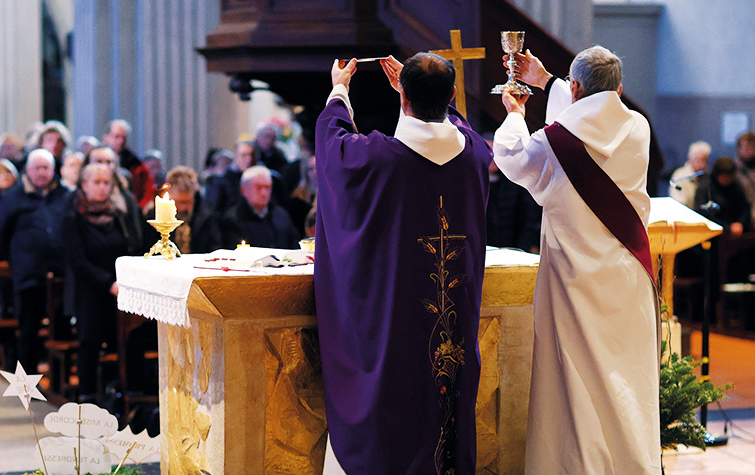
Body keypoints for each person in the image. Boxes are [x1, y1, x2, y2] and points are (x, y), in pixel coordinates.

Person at [315, 53, 491, 474]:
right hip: (452, 321)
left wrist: (340, 89)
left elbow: (331, 142)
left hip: (395, 326)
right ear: (451, 96)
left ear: (403, 97)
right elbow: (460, 127)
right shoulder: (475, 156)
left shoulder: (378, 157)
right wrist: (426, 96)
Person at [493, 46, 660, 473]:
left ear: (575, 87)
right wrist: (550, 81)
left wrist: (515, 113)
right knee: (626, 379)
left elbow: (513, 159)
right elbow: (594, 116)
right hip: (627, 276)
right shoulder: (639, 126)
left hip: (574, 278)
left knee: (579, 382)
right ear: (620, 89)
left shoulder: (552, 142)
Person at [62, 164, 147, 401]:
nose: (102, 187)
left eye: (106, 183)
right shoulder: (73, 218)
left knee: (131, 337)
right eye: (96, 182)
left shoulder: (117, 215)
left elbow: (129, 248)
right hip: (89, 290)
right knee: (89, 341)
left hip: (119, 289)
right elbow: (78, 261)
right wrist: (109, 283)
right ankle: (87, 396)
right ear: (84, 185)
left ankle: (128, 395)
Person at [0, 149, 71, 373]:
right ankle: (27, 383)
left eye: (46, 167)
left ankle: (58, 380)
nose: (42, 172)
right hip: (29, 273)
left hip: (60, 274)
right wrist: (17, 258)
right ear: (27, 170)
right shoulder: (13, 198)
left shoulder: (64, 195)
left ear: (54, 170)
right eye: (37, 168)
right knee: (28, 330)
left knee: (61, 328)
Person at [146, 166, 221, 254]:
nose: (182, 208)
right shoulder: (155, 216)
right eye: (178, 202)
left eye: (188, 202)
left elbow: (214, 248)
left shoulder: (206, 217)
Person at [221, 165, 298, 249]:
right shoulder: (232, 219)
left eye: (267, 187)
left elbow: (293, 243)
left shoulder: (281, 215)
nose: (264, 193)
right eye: (258, 187)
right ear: (243, 190)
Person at [103, 119, 156, 209]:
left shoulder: (135, 164)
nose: (120, 141)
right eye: (116, 136)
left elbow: (147, 190)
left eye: (123, 138)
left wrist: (138, 210)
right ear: (106, 137)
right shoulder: (95, 158)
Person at [694, 157, 751, 238]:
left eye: (730, 177)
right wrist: (727, 227)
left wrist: (741, 223)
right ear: (717, 175)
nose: (727, 180)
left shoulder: (735, 185)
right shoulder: (705, 187)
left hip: (736, 232)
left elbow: (745, 207)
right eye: (724, 177)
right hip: (712, 235)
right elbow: (703, 214)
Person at [205, 140, 257, 213]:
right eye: (244, 155)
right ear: (235, 157)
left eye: (251, 155)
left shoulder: (259, 178)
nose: (249, 159)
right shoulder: (221, 182)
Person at [669, 140, 711, 210]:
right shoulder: (680, 176)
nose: (702, 165)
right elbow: (678, 203)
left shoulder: (707, 176)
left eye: (705, 161)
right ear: (690, 158)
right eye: (699, 160)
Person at [734, 131, 755, 226]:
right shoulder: (732, 169)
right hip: (740, 215)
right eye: (746, 147)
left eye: (752, 147)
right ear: (738, 148)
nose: (750, 151)